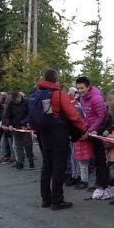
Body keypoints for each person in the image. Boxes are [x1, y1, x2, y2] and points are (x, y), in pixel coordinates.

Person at [36, 69, 87, 210]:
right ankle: (57, 201)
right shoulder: (58, 94)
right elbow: (73, 115)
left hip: (43, 133)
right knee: (59, 167)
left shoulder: (38, 94)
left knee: (47, 166)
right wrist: (83, 129)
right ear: (56, 79)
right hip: (58, 134)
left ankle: (45, 199)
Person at [76, 76, 109, 192]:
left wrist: (90, 131)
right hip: (90, 130)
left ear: (88, 87)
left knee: (101, 159)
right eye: (78, 88)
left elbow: (101, 117)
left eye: (82, 88)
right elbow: (86, 116)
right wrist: (84, 129)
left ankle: (103, 183)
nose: (80, 91)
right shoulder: (82, 99)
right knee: (95, 159)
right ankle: (98, 182)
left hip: (98, 131)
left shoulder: (96, 98)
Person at [5, 91, 34, 170]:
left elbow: (30, 114)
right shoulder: (11, 104)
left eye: (17, 100)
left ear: (20, 96)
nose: (16, 102)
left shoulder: (27, 102)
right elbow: (7, 115)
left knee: (28, 145)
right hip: (15, 127)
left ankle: (31, 161)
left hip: (25, 127)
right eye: (14, 101)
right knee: (18, 146)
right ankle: (20, 162)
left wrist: (27, 123)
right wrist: (9, 124)